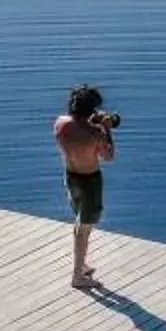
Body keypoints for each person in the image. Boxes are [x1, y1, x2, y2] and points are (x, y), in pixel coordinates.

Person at [53, 84, 120, 289]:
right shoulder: (94, 133)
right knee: (85, 227)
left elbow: (75, 128)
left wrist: (92, 121)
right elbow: (109, 157)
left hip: (70, 176)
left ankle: (81, 265)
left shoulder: (60, 124)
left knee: (80, 223)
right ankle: (77, 276)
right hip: (89, 181)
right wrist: (107, 130)